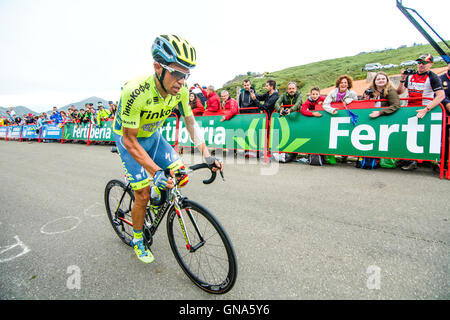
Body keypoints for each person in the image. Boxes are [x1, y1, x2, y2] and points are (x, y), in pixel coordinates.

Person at [112, 34, 223, 264]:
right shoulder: (135, 91)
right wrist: (155, 173)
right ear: (157, 67)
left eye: (187, 74)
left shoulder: (181, 91)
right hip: (129, 140)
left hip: (153, 136)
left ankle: (156, 195)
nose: (182, 81)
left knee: (180, 178)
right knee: (142, 194)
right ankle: (138, 238)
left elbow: (191, 123)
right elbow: (130, 141)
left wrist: (207, 154)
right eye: (177, 72)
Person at [397, 54, 445, 171]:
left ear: (430, 64)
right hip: (410, 109)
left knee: (427, 137)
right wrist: (403, 79)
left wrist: (426, 109)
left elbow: (441, 96)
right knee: (409, 136)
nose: (421, 65)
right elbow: (400, 91)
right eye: (419, 62)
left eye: (424, 62)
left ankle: (432, 161)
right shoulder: (411, 75)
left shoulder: (433, 77)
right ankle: (410, 160)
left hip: (425, 110)